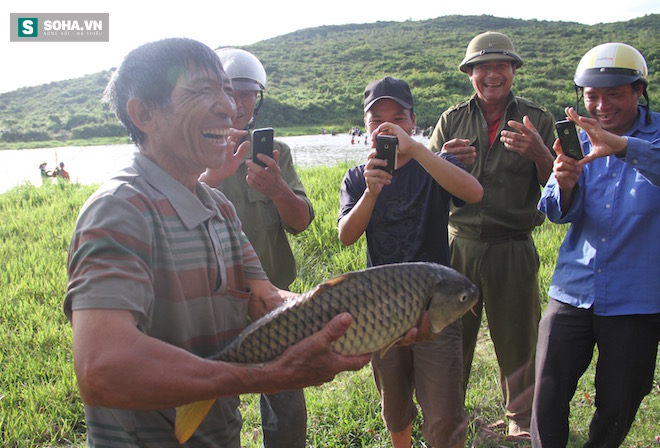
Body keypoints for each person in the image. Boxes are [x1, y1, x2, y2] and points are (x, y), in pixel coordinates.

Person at [63, 37, 372, 447]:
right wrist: (265, 377)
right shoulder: (120, 210)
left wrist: (372, 314)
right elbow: (102, 369)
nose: (228, 106)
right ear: (144, 114)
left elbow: (267, 300)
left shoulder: (219, 208)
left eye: (227, 90)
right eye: (201, 91)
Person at [338, 76, 484, 448]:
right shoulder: (358, 178)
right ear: (366, 127)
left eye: (398, 118)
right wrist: (371, 192)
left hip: (436, 305)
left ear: (414, 121)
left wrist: (419, 152)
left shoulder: (435, 163)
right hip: (380, 311)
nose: (387, 126)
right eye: (376, 119)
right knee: (394, 405)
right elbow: (346, 235)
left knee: (444, 410)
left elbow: (474, 192)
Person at [427, 31, 556, 438]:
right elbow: (429, 184)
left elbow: (560, 187)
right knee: (450, 337)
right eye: (483, 67)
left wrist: (539, 151)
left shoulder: (539, 118)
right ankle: (447, 415)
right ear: (470, 74)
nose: (492, 74)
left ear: (514, 70)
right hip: (458, 245)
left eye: (501, 65)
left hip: (513, 245)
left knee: (519, 337)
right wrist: (446, 160)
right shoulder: (452, 119)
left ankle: (520, 420)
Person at [532, 42, 660, 447]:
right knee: (547, 393)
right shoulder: (579, 138)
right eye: (592, 96)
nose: (601, 105)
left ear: (639, 90)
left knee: (619, 401)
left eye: (614, 94)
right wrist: (565, 184)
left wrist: (622, 146)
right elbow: (554, 208)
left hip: (637, 296)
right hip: (573, 288)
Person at [199, 48, 314, 448]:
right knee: (213, 399)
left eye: (249, 94)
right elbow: (172, 210)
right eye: (231, 91)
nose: (240, 103)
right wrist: (212, 175)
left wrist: (278, 188)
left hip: (273, 298)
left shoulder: (275, 151)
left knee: (285, 398)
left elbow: (301, 223)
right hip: (212, 301)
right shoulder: (193, 152)